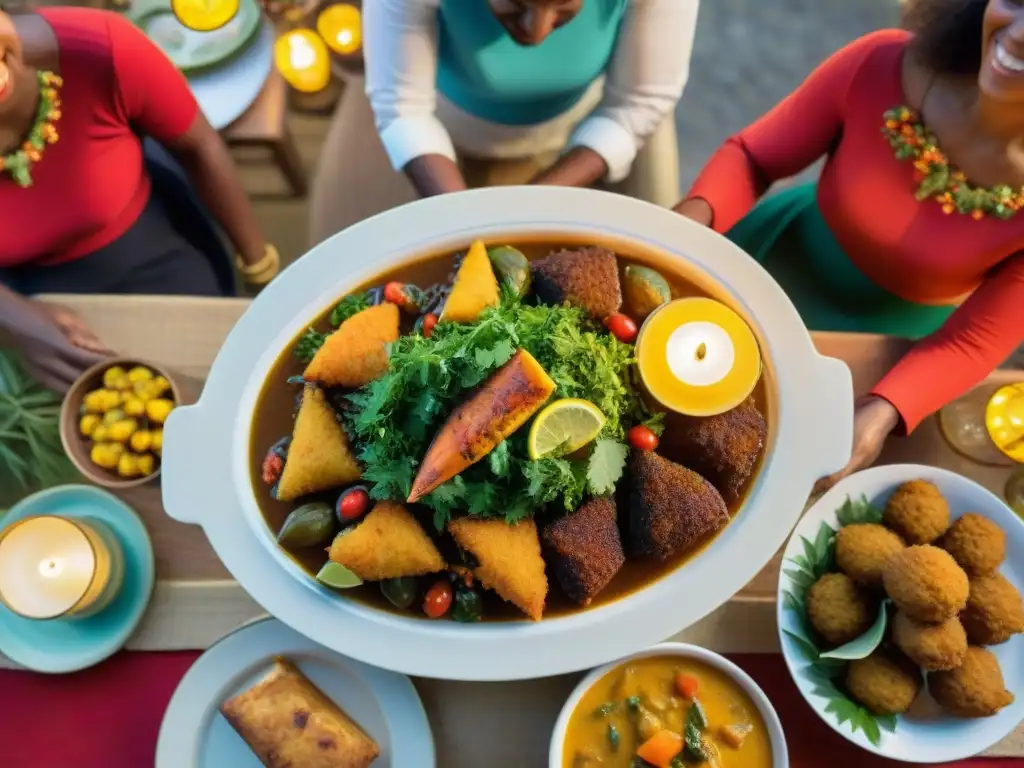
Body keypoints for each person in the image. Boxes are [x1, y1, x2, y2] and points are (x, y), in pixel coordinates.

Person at [674, 0, 1024, 490]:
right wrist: (683, 228)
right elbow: (753, 157)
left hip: (882, 350)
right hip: (771, 261)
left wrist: (884, 410)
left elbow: (973, 340)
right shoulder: (881, 63)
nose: (1018, 34)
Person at [0, 7, 278, 392]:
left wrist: (259, 267)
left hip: (151, 251)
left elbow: (199, 147)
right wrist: (13, 319)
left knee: (224, 378)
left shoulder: (99, 50)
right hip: (21, 292)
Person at [309, 0, 699, 244]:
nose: (537, 31)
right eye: (515, 5)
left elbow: (638, 101)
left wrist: (526, 207)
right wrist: (468, 222)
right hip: (444, 124)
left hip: (585, 126)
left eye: (563, 8)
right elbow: (404, 106)